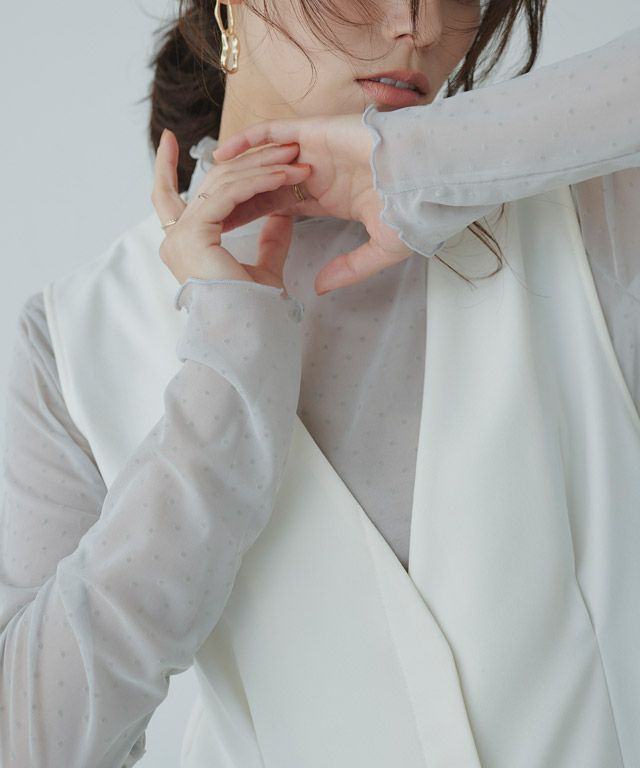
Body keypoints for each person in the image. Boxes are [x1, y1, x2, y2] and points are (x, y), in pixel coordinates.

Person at [1, 0, 638, 763]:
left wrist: (431, 160)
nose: (420, 25)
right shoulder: (75, 339)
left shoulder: (587, 216)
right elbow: (31, 742)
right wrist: (224, 389)